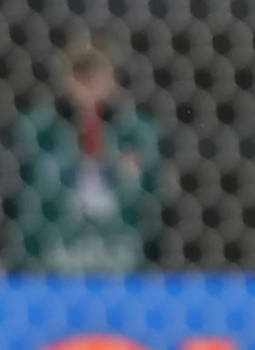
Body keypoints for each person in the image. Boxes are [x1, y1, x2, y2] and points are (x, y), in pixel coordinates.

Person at [13, 37, 163, 273]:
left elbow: (155, 202)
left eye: (97, 73)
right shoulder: (40, 129)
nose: (89, 83)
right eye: (81, 73)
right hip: (55, 255)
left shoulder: (138, 132)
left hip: (123, 255)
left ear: (114, 77)